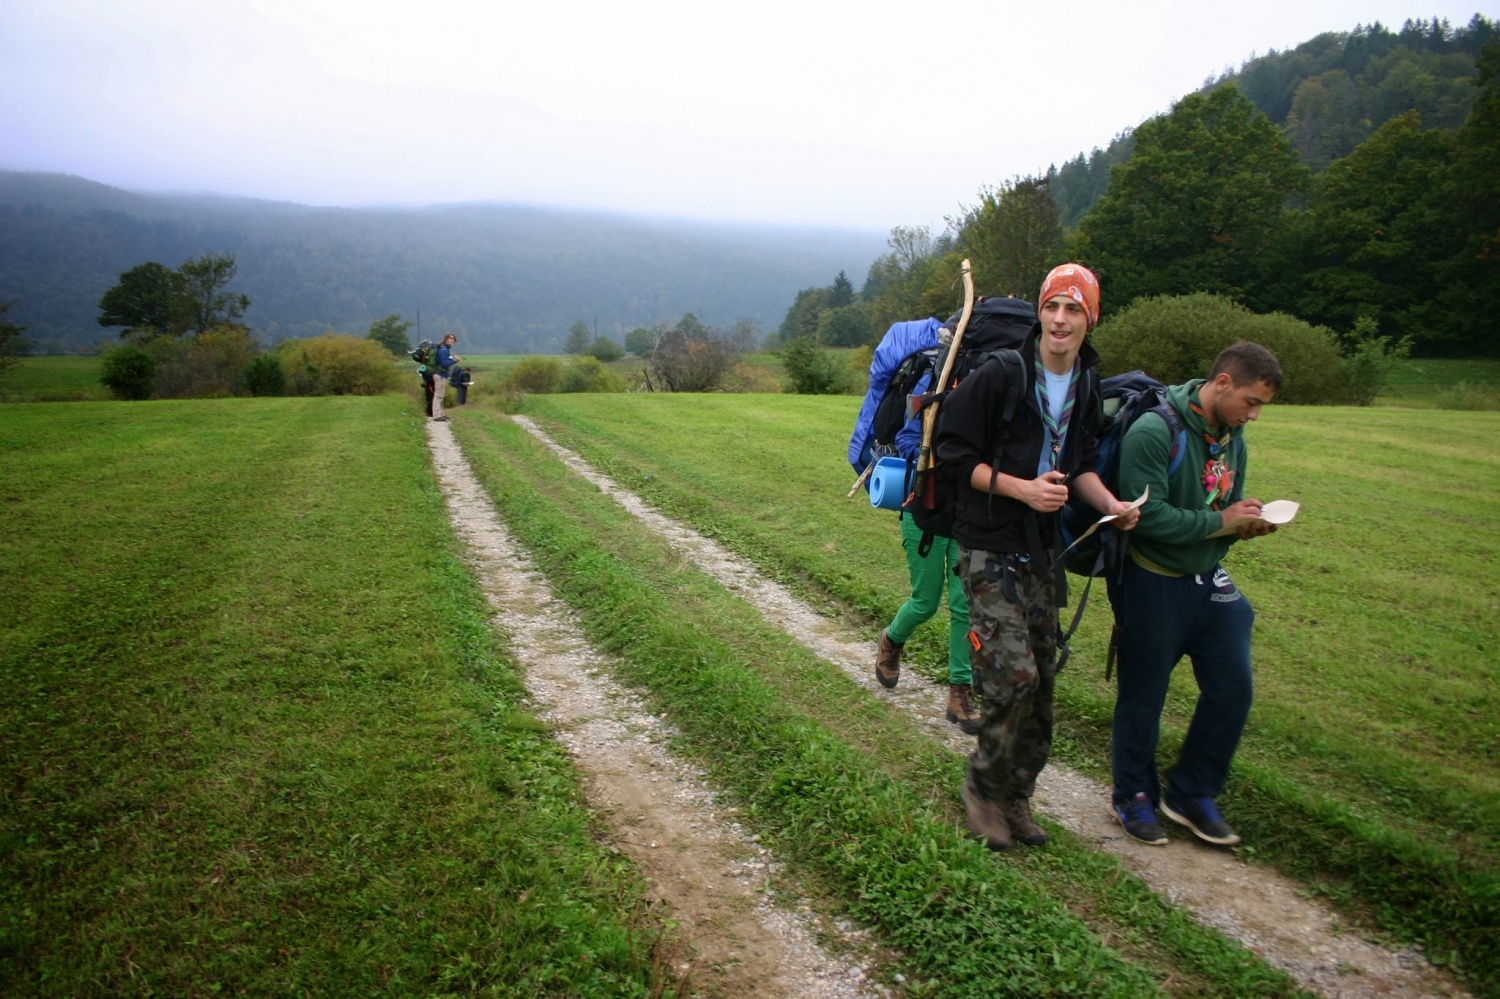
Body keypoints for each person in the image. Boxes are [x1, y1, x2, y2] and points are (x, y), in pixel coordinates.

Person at [935, 263, 1139, 851]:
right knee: (1013, 674)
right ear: (1040, 314)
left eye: (1074, 310)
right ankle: (982, 787)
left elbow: (1080, 465)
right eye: (1053, 306)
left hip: (1042, 549)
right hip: (987, 542)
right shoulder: (1002, 374)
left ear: (1090, 319)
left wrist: (1112, 503)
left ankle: (1017, 796)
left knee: (1044, 679)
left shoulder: (1087, 382)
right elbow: (952, 454)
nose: (1060, 319)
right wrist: (1022, 488)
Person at [1107, 341, 1281, 848]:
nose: (1253, 415)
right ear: (1222, 383)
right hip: (1151, 579)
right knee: (1143, 697)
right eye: (1251, 402)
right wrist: (1221, 521)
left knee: (1233, 688)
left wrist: (1244, 522)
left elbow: (1224, 503)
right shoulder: (1154, 430)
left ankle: (1191, 793)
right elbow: (1147, 518)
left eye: (1260, 407)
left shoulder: (1232, 436)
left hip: (1209, 583)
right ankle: (1132, 795)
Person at [875, 364, 981, 735]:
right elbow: (905, 438)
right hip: (925, 513)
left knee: (963, 606)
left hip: (967, 519)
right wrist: (932, 450)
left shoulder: (994, 394)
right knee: (925, 602)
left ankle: (959, 692)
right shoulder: (937, 383)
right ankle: (891, 641)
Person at [432, 334, 459, 422]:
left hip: (442, 374)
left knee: (441, 395)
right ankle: (436, 415)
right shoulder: (443, 350)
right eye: (451, 338)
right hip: (439, 374)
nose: (452, 340)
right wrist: (454, 360)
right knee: (438, 395)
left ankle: (441, 414)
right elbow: (444, 363)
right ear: (446, 339)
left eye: (453, 339)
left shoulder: (445, 349)